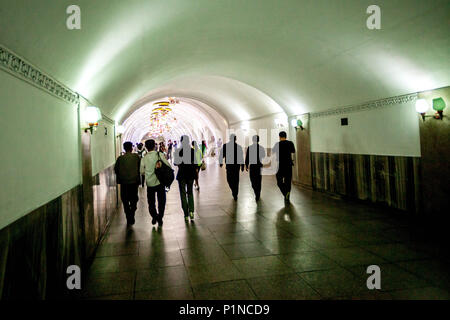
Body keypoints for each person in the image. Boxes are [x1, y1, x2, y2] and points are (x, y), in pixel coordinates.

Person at [140, 139, 172, 227]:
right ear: (154, 146)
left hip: (150, 184)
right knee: (161, 201)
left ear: (146, 147)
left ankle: (154, 216)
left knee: (151, 202)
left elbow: (141, 171)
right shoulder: (160, 155)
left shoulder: (144, 158)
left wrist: (148, 172)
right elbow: (168, 166)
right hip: (160, 182)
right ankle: (160, 217)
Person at [114, 141, 140, 225]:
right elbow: (140, 168)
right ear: (132, 148)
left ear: (124, 148)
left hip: (124, 183)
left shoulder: (120, 158)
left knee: (125, 200)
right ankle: (132, 213)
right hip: (134, 182)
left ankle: (128, 215)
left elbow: (116, 170)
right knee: (134, 199)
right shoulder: (136, 157)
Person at [174, 135, 197, 222]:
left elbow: (176, 163)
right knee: (190, 193)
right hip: (191, 174)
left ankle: (185, 215)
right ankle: (191, 211)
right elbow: (195, 163)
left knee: (183, 194)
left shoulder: (178, 151)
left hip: (182, 175)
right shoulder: (192, 150)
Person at [219, 134, 244, 200]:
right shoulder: (226, 146)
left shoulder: (238, 147)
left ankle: (235, 193)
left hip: (235, 166)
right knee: (230, 180)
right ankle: (234, 191)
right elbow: (222, 154)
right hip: (230, 166)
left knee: (235, 180)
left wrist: (242, 165)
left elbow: (241, 157)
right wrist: (220, 162)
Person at [272, 131, 296, 202]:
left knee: (279, 182)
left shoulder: (277, 144)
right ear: (286, 136)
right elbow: (293, 151)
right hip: (288, 165)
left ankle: (285, 193)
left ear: (279, 137)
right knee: (288, 181)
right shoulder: (290, 143)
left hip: (280, 165)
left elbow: (273, 152)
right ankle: (287, 195)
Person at [245, 135, 266, 201]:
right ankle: (258, 193)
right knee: (258, 180)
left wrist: (246, 165)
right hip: (258, 166)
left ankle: (257, 193)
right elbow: (263, 156)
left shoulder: (250, 148)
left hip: (253, 166)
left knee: (253, 181)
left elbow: (247, 157)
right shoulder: (261, 148)